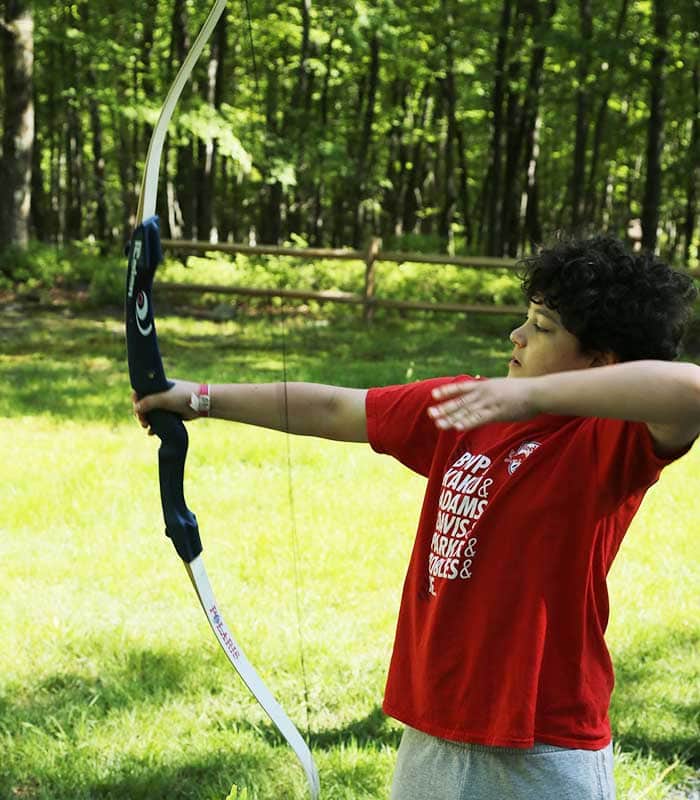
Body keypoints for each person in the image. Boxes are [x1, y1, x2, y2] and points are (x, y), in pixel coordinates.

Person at [133, 235, 699, 800]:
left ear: (599, 362)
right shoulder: (470, 407)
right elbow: (336, 408)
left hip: (543, 745)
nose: (518, 335)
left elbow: (692, 391)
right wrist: (198, 398)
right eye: (525, 318)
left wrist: (538, 398)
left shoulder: (606, 441)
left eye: (543, 327)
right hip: (433, 727)